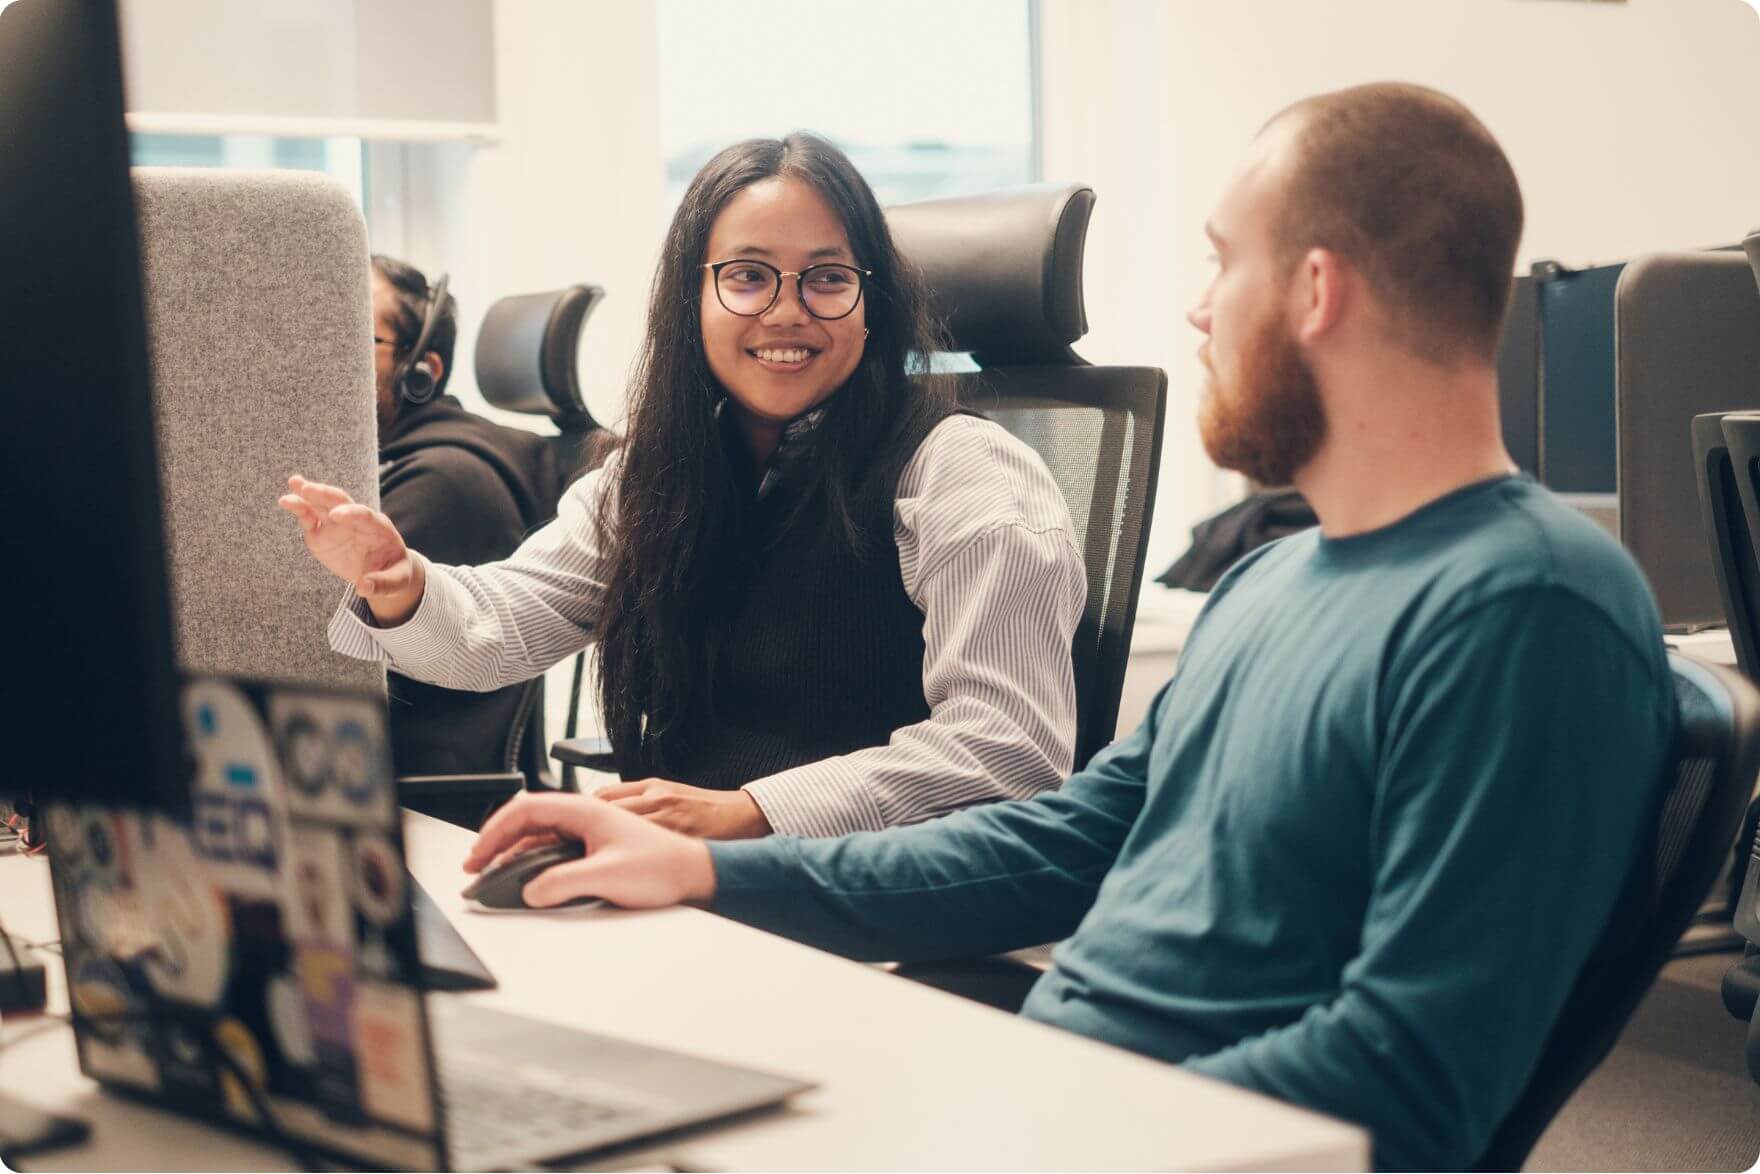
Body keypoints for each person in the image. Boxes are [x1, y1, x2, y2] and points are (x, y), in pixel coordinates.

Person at [456, 85, 1678, 1171]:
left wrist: (1033, 1124)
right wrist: (713, 869)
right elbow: (1056, 844)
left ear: (1313, 289)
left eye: (1219, 262)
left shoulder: (1526, 608)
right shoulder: (1273, 585)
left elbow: (1406, 1079)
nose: (1197, 312)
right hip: (1048, 1094)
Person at [281, 134, 1085, 842]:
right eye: (747, 277)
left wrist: (750, 811)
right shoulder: (656, 476)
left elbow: (1006, 747)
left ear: (871, 302)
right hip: (680, 881)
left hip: (862, 908)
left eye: (827, 279)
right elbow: (497, 631)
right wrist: (398, 581)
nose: (786, 311)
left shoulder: (961, 472)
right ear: (692, 300)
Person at [364, 255, 568, 782]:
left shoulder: (443, 482)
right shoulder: (384, 464)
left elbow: (308, 652)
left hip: (416, 803)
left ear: (420, 373)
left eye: (350, 336)